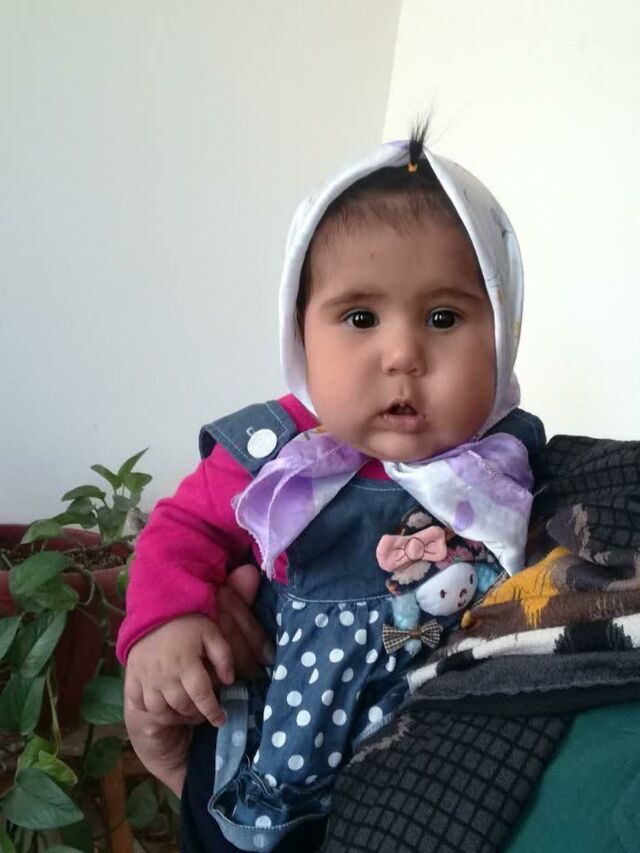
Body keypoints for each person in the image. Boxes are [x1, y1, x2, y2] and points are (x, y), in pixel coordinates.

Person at [117, 122, 545, 852]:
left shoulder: (508, 467)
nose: (402, 353)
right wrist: (168, 622)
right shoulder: (279, 456)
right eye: (359, 317)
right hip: (264, 754)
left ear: (502, 334)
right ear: (301, 335)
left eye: (443, 317)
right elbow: (182, 529)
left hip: (421, 781)